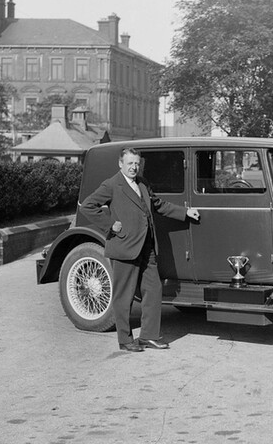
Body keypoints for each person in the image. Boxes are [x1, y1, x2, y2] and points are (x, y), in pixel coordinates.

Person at [80, 148, 201, 353]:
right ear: (121, 164)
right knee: (124, 296)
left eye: (137, 163)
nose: (134, 167)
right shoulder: (112, 184)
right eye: (130, 163)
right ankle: (125, 340)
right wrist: (110, 225)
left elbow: (158, 205)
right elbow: (87, 206)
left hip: (147, 247)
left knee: (153, 291)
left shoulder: (143, 183)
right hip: (124, 247)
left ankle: (148, 337)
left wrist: (185, 212)